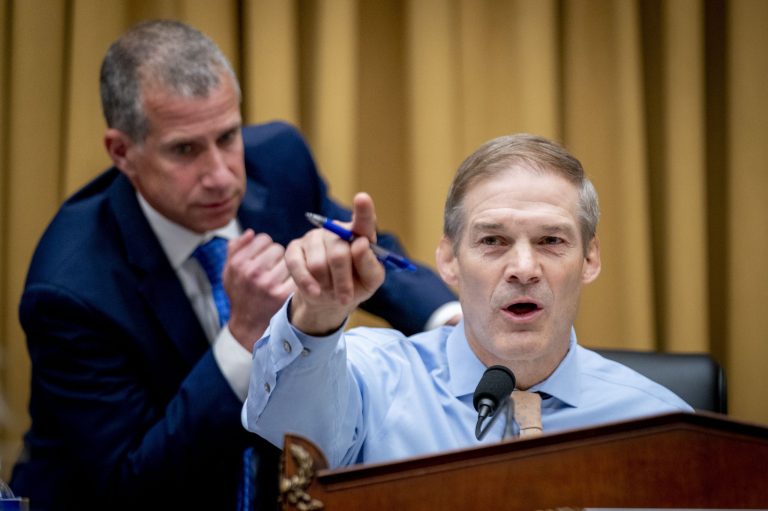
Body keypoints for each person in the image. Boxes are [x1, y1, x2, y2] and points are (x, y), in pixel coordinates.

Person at [9, 19, 457, 510]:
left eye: (227, 137)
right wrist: (243, 334)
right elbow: (131, 480)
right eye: (185, 150)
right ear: (122, 151)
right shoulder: (69, 288)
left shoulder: (279, 161)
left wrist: (454, 320)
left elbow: (356, 248)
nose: (221, 177)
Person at [243, 133, 693, 469]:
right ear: (448, 260)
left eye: (551, 240)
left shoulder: (664, 425)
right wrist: (317, 317)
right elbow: (289, 426)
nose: (523, 267)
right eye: (493, 240)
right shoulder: (370, 379)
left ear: (590, 259)